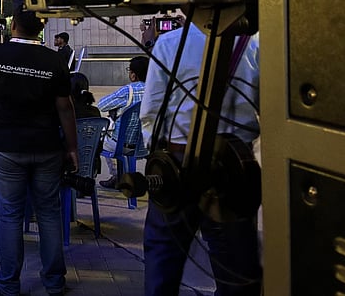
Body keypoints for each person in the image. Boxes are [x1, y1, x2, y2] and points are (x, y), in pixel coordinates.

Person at [0, 5, 77, 296]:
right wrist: (72, 147)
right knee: (49, 213)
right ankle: (54, 282)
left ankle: (8, 283)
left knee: (9, 215)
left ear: (12, 28)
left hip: (7, 147)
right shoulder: (54, 59)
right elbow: (65, 107)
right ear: (40, 30)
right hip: (47, 146)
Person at [139, 27, 261, 295]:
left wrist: (159, 157)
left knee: (163, 255)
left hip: (177, 162)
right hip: (233, 166)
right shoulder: (255, 42)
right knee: (236, 268)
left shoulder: (171, 43)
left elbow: (150, 112)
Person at [96, 55, 148, 189]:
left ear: (133, 75)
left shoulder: (128, 91)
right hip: (148, 145)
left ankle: (117, 176)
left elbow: (102, 105)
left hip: (126, 146)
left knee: (103, 138)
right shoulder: (157, 90)